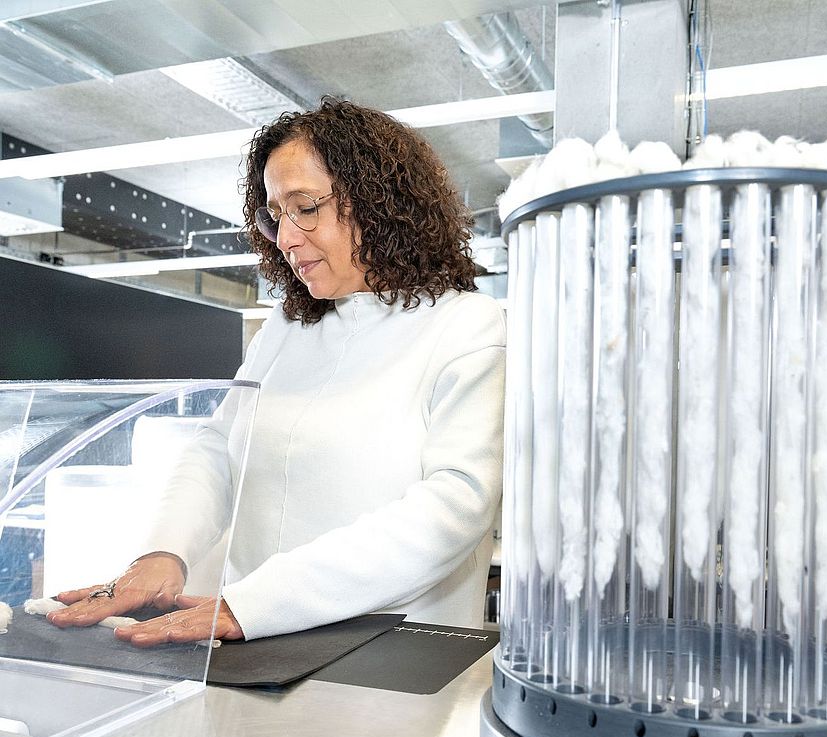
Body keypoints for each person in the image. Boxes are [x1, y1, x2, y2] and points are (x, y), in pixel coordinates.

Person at [47, 97, 506, 647]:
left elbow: (455, 506)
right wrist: (163, 553)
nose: (286, 238)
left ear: (378, 203)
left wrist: (259, 604)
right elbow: (219, 450)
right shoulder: (288, 327)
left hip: (392, 653)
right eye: (275, 216)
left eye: (305, 207)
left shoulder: (465, 325)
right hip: (258, 644)